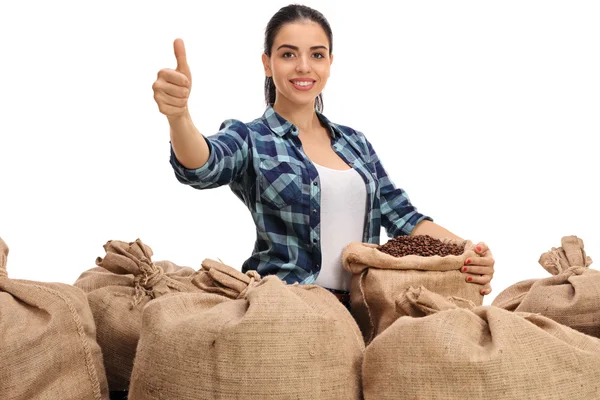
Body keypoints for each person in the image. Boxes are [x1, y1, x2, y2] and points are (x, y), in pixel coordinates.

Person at [151, 4, 495, 308]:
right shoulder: (251, 138)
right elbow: (203, 165)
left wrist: (468, 251)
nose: (303, 67)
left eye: (316, 55)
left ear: (330, 62)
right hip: (290, 305)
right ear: (267, 64)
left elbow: (405, 218)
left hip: (366, 305)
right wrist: (179, 116)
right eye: (288, 54)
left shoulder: (355, 144)